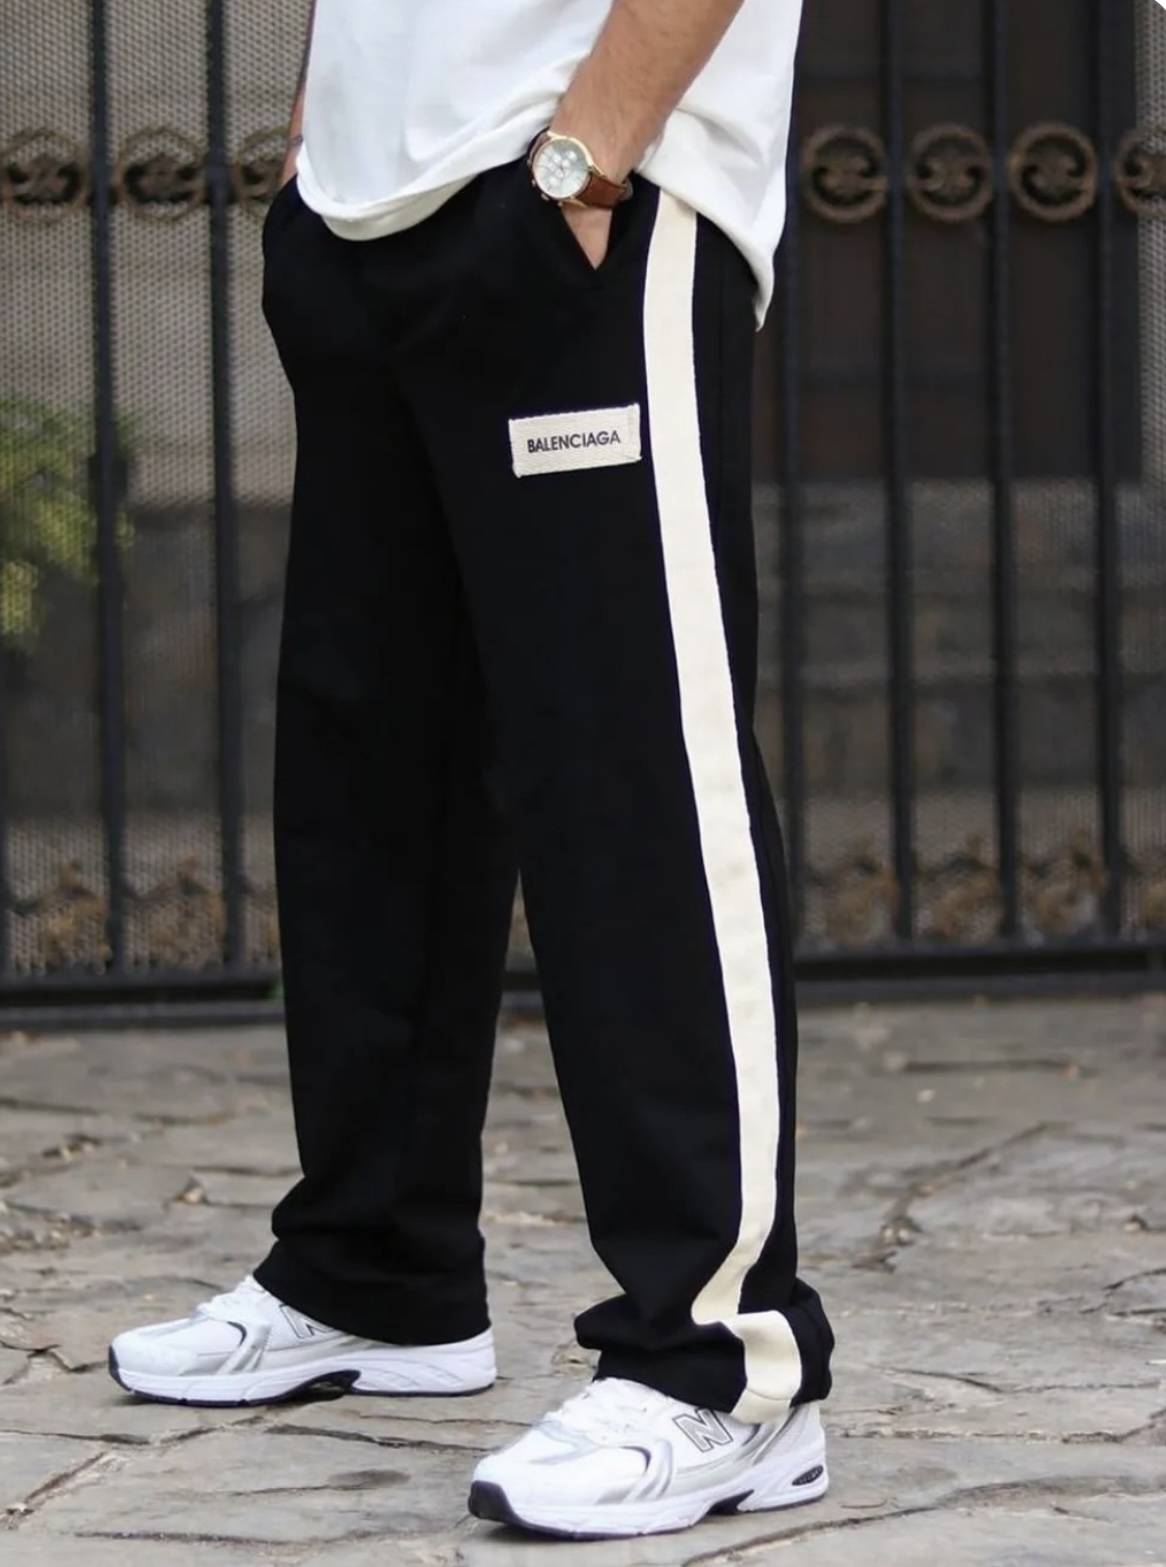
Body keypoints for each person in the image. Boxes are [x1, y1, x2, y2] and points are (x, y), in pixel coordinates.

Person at [109, 0, 834, 1539]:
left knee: (628, 786)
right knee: (373, 772)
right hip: (367, 212)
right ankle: (378, 1270)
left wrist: (585, 159)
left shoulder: (587, 186)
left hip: (584, 198)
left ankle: (718, 1363)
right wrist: (318, 132)